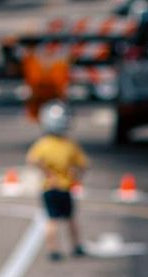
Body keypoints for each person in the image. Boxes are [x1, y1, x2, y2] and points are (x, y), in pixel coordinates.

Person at [26, 100, 86, 262]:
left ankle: (53, 249)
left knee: (52, 220)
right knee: (70, 219)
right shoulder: (69, 145)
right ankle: (76, 246)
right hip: (64, 188)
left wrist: (47, 173)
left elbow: (32, 159)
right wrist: (76, 176)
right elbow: (83, 164)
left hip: (49, 188)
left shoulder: (43, 144)